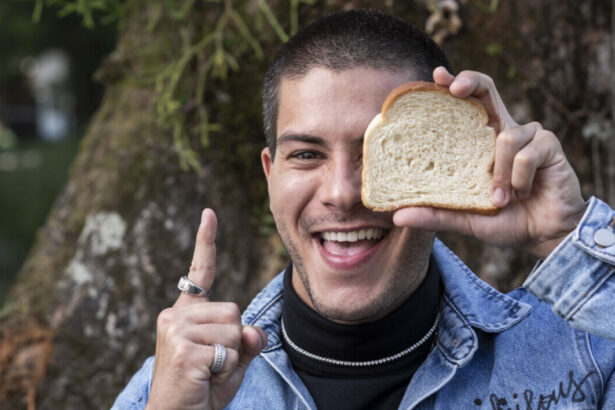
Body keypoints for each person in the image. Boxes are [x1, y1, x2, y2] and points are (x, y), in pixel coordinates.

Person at [113, 9, 615, 410]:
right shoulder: (169, 389)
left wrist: (567, 237)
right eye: (307, 154)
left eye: (378, 153)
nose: (343, 192)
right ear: (271, 176)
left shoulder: (585, 352)